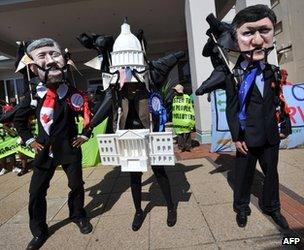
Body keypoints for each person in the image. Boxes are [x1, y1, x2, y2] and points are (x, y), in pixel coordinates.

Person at [13, 38, 93, 250]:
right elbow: (18, 120)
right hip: (44, 151)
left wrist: (85, 135)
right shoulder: (33, 96)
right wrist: (29, 139)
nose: (50, 60)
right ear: (32, 66)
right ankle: (39, 231)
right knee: (36, 192)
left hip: (69, 148)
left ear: (65, 60)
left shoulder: (74, 94)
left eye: (54, 54)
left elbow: (89, 116)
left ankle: (78, 214)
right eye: (42, 56)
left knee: (76, 185)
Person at [225, 5, 291, 228]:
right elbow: (231, 109)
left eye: (264, 30)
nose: (257, 40)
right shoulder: (234, 75)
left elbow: (278, 100)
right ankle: (241, 208)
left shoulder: (272, 70)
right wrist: (236, 136)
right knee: (243, 175)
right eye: (248, 33)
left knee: (271, 174)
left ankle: (272, 206)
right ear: (237, 40)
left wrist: (285, 124)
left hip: (271, 134)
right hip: (247, 136)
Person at [172, 84, 195, 152]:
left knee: (186, 133)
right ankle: (182, 147)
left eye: (175, 91)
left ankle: (187, 147)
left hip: (185, 119)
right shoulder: (175, 98)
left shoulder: (186, 97)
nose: (174, 92)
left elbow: (189, 107)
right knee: (180, 134)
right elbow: (174, 109)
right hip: (178, 120)